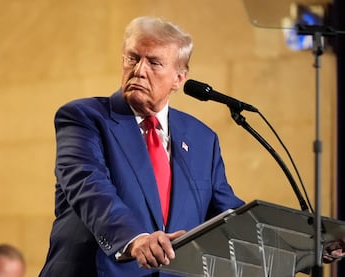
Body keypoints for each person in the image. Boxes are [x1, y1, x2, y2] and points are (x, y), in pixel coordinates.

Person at [39, 16, 245, 277]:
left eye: (154, 62)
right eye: (133, 58)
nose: (139, 70)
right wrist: (134, 238)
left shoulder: (203, 139)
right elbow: (90, 188)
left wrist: (289, 241)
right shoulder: (84, 117)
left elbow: (226, 215)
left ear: (179, 79)